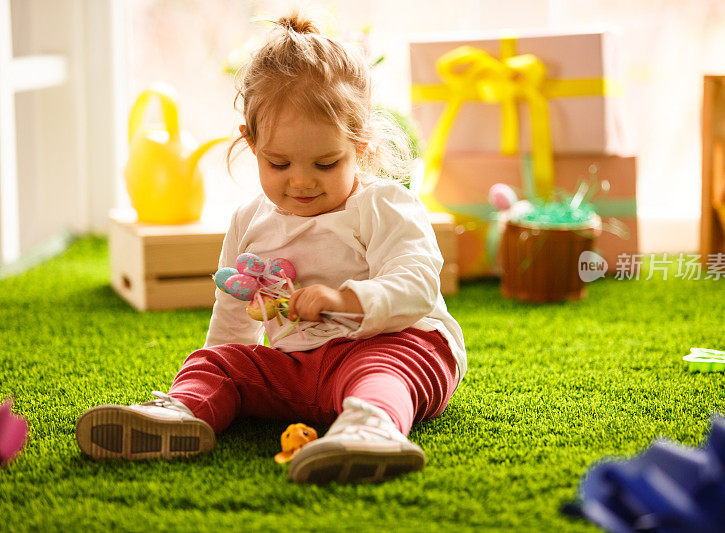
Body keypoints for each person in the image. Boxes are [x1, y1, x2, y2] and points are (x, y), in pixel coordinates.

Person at [76, 12, 466, 485]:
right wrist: (225, 370)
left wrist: (346, 300)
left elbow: (418, 285)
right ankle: (183, 413)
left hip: (391, 343)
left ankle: (373, 428)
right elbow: (233, 315)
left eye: (326, 163)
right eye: (279, 163)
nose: (300, 181)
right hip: (300, 370)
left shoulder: (382, 204)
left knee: (384, 368)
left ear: (360, 147)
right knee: (215, 360)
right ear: (252, 144)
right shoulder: (248, 221)